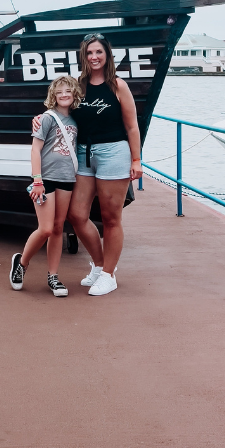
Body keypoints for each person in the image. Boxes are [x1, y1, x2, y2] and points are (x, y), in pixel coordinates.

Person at [33, 33, 142, 297]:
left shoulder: (117, 85)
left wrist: (136, 159)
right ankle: (100, 265)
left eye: (99, 52)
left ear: (107, 55)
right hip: (82, 153)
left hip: (114, 152)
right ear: (84, 56)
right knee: (78, 215)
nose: (94, 57)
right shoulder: (78, 85)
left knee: (110, 217)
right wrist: (40, 118)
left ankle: (108, 275)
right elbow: (60, 106)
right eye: (89, 53)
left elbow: (131, 125)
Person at [10, 75, 81, 297]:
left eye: (68, 90)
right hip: (46, 179)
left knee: (59, 228)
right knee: (46, 228)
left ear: (74, 93)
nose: (64, 95)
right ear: (53, 95)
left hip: (67, 179)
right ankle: (21, 263)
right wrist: (37, 180)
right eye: (59, 92)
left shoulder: (76, 120)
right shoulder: (47, 118)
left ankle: (53, 276)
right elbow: (35, 149)